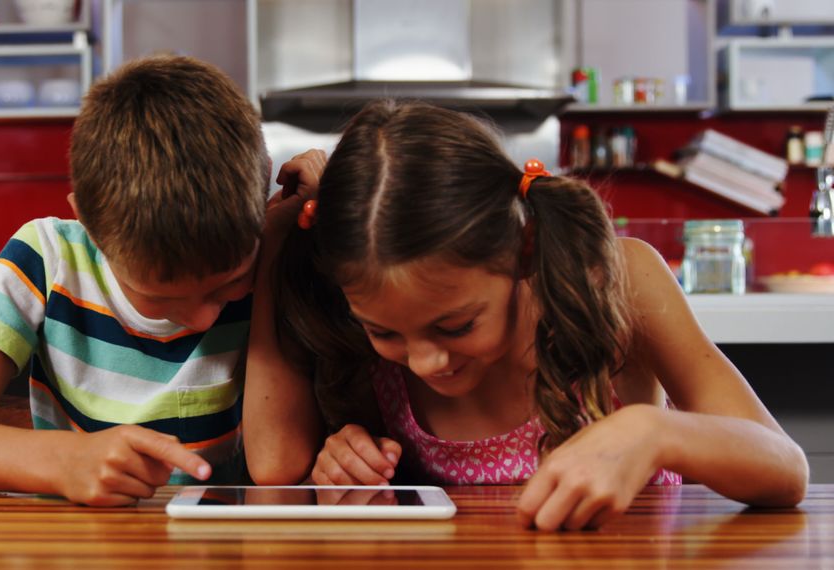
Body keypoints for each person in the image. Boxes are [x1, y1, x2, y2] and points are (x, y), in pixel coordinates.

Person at [244, 100, 808, 530]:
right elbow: (280, 463)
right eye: (384, 332)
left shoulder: (620, 280)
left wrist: (658, 432)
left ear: (525, 247)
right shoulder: (365, 352)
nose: (425, 362)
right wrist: (347, 464)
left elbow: (786, 468)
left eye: (456, 325)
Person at [0, 55, 313, 506]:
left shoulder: (269, 256)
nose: (204, 315)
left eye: (227, 283)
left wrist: (273, 249)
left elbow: (277, 466)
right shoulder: (48, 259)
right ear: (91, 228)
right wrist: (64, 462)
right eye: (158, 296)